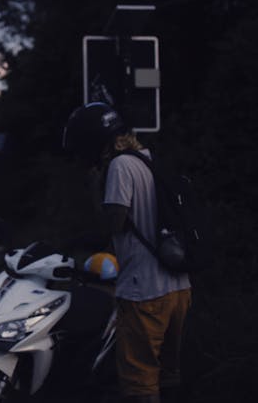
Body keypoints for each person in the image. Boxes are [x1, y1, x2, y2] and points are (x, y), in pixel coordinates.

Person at [63, 102, 191, 403]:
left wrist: (96, 186)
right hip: (179, 288)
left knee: (140, 383)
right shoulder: (147, 160)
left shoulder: (120, 167)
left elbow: (115, 222)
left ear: (94, 145)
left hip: (145, 292)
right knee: (168, 375)